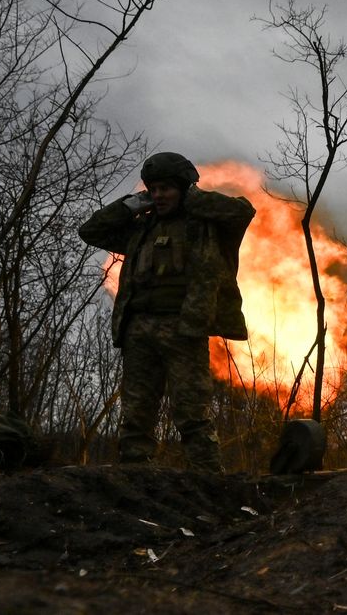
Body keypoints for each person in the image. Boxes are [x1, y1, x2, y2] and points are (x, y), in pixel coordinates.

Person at [79, 152, 255, 472]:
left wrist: (193, 198)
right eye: (154, 189)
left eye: (166, 189)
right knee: (136, 413)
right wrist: (130, 205)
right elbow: (90, 231)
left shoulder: (205, 226)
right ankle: (137, 478)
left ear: (183, 188)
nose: (159, 195)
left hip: (183, 329)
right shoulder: (141, 228)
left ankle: (208, 481)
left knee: (191, 412)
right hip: (139, 329)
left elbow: (242, 211)